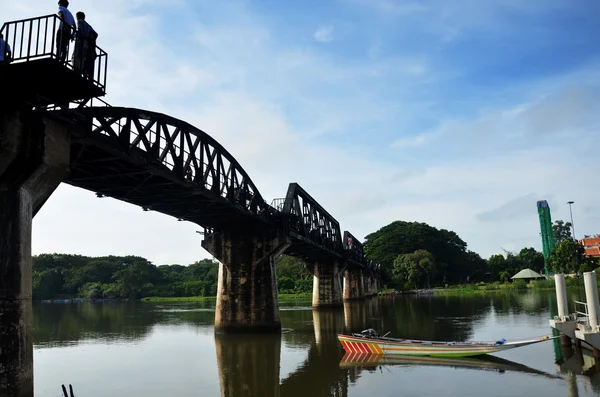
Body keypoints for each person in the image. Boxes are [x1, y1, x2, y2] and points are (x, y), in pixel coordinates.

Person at [73, 11, 97, 78]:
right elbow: (95, 34)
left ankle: (77, 71)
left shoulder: (79, 22)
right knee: (83, 58)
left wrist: (75, 35)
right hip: (87, 43)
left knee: (77, 56)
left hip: (81, 41)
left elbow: (80, 30)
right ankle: (83, 72)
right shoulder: (88, 25)